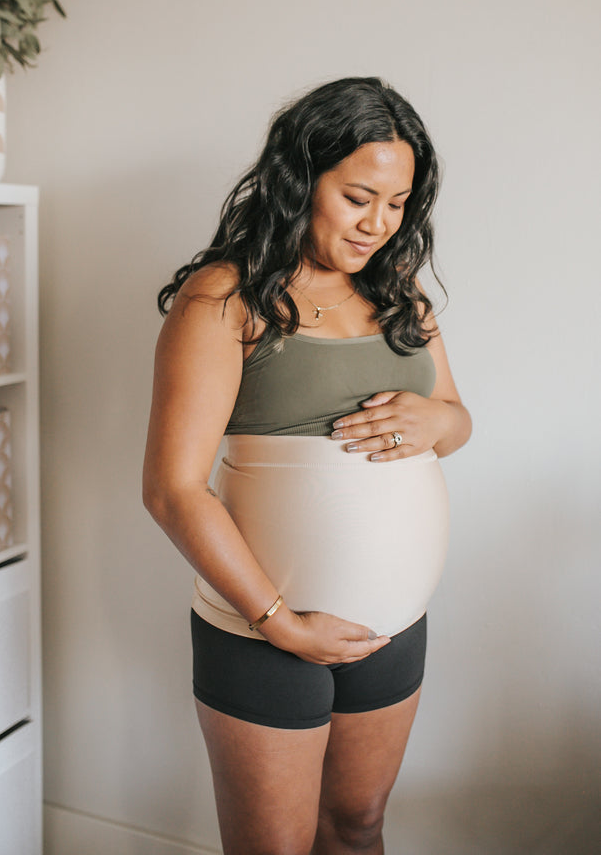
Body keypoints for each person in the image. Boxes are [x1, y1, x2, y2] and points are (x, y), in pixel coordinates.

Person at [143, 76, 471, 855]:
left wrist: (439, 419)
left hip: (394, 628)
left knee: (358, 828)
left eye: (397, 205)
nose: (378, 225)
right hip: (264, 633)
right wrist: (280, 623)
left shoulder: (399, 294)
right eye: (359, 196)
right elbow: (172, 489)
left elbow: (456, 422)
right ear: (301, 178)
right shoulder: (225, 299)